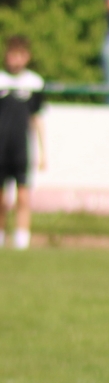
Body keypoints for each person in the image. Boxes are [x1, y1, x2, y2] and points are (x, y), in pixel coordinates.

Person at [0, 36, 46, 249]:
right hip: (1, 147)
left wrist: (43, 151)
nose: (15, 60)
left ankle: (22, 238)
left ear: (27, 57)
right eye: (12, 54)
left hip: (21, 148)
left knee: (23, 196)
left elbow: (37, 119)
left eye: (20, 55)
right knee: (2, 199)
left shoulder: (34, 83)